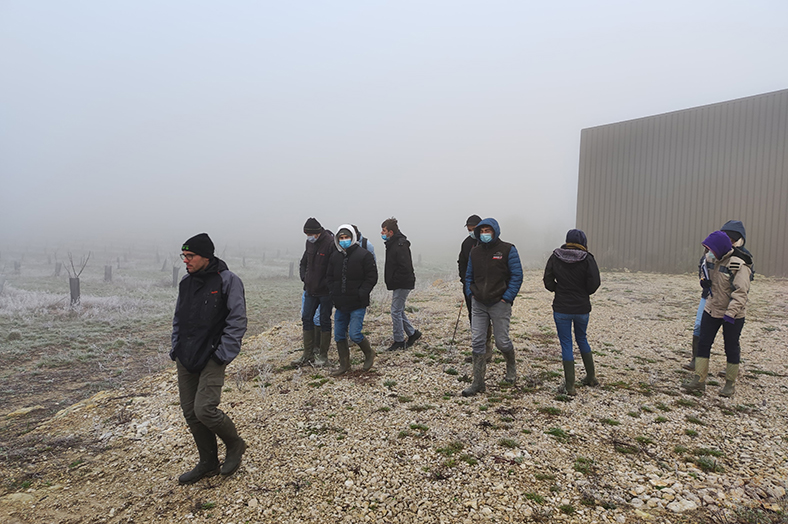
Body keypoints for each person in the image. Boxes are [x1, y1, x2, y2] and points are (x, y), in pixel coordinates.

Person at [171, 233, 248, 484]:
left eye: (190, 256)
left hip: (212, 355)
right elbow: (178, 318)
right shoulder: (186, 282)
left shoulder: (228, 280)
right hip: (186, 355)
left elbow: (237, 319)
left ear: (206, 256)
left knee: (204, 409)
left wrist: (223, 354)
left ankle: (235, 445)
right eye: (184, 256)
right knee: (190, 412)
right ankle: (208, 462)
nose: (186, 261)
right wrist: (176, 347)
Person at [682, 230, 753, 397]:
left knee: (731, 346)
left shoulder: (738, 264)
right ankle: (699, 380)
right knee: (704, 343)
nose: (709, 252)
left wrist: (731, 313)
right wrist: (703, 281)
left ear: (720, 248)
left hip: (733, 314)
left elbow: (741, 293)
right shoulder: (710, 259)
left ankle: (729, 384)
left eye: (711, 249)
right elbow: (703, 271)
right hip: (712, 308)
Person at [462, 218, 523, 396]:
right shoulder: (475, 252)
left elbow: (517, 275)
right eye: (482, 231)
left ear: (495, 231)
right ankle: (478, 382)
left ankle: (511, 367)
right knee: (477, 341)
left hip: (499, 302)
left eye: (488, 230)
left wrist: (507, 297)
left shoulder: (508, 249)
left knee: (502, 341)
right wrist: (470, 293)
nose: (485, 233)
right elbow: (468, 275)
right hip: (478, 302)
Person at [543, 229, 601, 395]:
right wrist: (584, 293)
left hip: (561, 307)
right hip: (582, 307)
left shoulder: (555, 256)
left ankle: (570, 386)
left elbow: (547, 281)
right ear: (583, 241)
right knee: (582, 338)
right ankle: (591, 377)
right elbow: (594, 283)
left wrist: (557, 289)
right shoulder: (588, 258)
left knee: (566, 343)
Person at [326, 225, 378, 375]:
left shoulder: (364, 255)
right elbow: (329, 277)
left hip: (357, 303)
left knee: (355, 334)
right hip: (340, 303)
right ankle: (344, 365)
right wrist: (333, 292)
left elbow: (372, 277)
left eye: (346, 237)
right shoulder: (335, 256)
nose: (344, 241)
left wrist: (362, 293)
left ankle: (369, 353)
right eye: (341, 238)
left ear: (353, 237)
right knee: (339, 335)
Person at [293, 218, 335, 367]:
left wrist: (326, 284)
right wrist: (305, 278)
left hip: (325, 292)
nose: (308, 237)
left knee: (324, 320)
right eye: (306, 235)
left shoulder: (330, 243)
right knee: (306, 318)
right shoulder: (309, 243)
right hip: (310, 289)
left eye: (310, 234)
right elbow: (304, 262)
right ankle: (307, 354)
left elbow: (334, 268)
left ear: (317, 232)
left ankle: (323, 355)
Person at [381, 217, 421, 350]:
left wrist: (395, 281)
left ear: (391, 232)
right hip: (400, 283)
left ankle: (398, 340)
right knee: (399, 310)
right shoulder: (394, 244)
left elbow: (405, 267)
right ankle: (413, 333)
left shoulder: (400, 245)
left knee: (395, 311)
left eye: (384, 230)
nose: (382, 233)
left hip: (402, 283)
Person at [458, 214, 494, 363]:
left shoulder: (489, 243)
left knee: (488, 318)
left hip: (489, 288)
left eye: (473, 229)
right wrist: (465, 282)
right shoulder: (467, 243)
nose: (471, 232)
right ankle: (479, 352)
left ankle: (488, 350)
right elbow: (462, 262)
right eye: (469, 229)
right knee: (474, 318)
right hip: (471, 287)